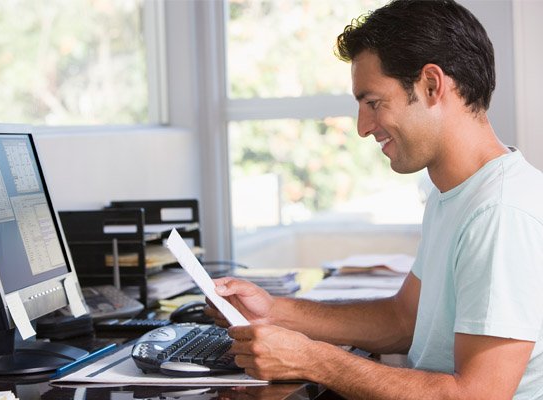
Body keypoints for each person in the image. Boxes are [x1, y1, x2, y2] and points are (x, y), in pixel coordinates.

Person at [205, 0, 543, 398]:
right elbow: (404, 319)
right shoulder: (454, 195)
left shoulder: (499, 212)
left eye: (373, 103)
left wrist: (312, 359)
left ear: (432, 85)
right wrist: (275, 311)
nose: (364, 128)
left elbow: (478, 395)